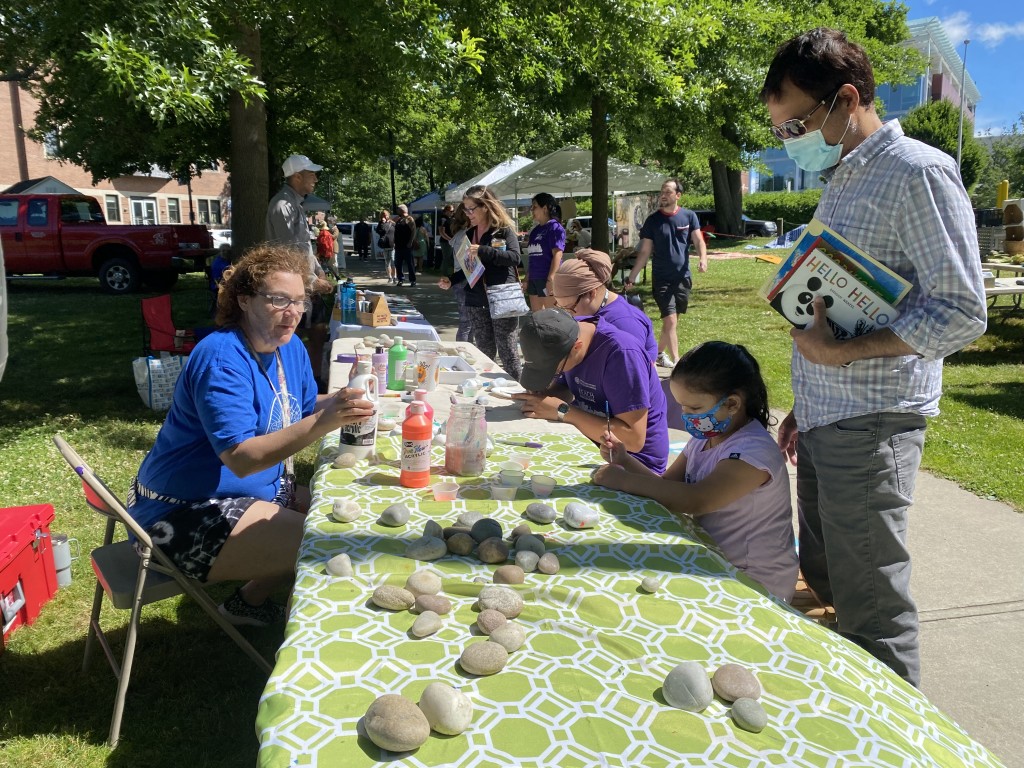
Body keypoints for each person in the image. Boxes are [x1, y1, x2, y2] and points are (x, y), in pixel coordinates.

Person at [761, 28, 987, 685]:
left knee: (873, 609)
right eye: (780, 131)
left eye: (796, 123)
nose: (791, 141)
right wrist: (809, 399)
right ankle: (849, 707)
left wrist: (842, 355)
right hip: (832, 415)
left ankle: (894, 741)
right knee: (832, 583)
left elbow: (962, 312)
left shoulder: (917, 171)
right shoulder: (844, 177)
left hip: (874, 421)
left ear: (849, 98)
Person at [126, 245, 376, 626]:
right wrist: (329, 421)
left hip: (252, 494)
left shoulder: (287, 347)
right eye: (277, 300)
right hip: (179, 514)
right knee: (326, 543)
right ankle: (311, 648)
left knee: (350, 516)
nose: (292, 312)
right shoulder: (222, 358)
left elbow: (303, 407)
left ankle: (248, 602)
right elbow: (241, 458)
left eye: (299, 301)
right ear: (243, 300)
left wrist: (346, 401)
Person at [591, 342, 798, 602]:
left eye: (695, 409)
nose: (686, 416)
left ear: (732, 403)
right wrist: (624, 460)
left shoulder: (752, 452)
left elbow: (696, 499)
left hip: (755, 581)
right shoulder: (706, 437)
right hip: (716, 559)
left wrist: (623, 480)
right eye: (682, 407)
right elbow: (666, 486)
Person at [512, 308, 668, 474]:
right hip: (591, 443)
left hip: (635, 465)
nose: (554, 375)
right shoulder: (567, 333)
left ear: (576, 347)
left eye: (554, 370)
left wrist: (563, 411)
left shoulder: (622, 355)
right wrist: (542, 396)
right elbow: (564, 388)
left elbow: (633, 439)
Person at [265, 154, 335, 387]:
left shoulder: (294, 204)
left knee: (318, 331)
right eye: (310, 173)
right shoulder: (282, 205)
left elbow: (303, 246)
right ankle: (291, 384)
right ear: (296, 176)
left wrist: (318, 270)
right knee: (289, 336)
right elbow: (288, 253)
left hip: (304, 283)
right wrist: (312, 280)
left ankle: (314, 380)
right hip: (290, 287)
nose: (315, 178)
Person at [441, 185, 523, 378]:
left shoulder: (503, 231)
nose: (468, 214)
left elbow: (514, 258)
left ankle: (518, 394)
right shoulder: (469, 234)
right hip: (476, 300)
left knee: (508, 352)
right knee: (484, 353)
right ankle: (488, 391)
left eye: (471, 209)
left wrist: (484, 251)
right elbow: (470, 269)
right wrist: (451, 280)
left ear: (485, 206)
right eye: (465, 209)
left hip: (501, 298)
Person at [625, 179, 708, 370]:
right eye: (662, 191)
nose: (663, 195)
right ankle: (678, 363)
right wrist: (632, 276)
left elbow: (698, 240)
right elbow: (644, 252)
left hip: (683, 277)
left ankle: (657, 355)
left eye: (668, 192)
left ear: (678, 195)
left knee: (672, 323)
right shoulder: (653, 221)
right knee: (669, 320)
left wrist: (703, 259)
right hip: (661, 278)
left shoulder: (689, 216)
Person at [553, 248, 657, 364]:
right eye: (559, 306)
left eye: (568, 307)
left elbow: (631, 377)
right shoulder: (588, 311)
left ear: (592, 293)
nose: (567, 315)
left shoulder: (625, 325)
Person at [436, 204, 474, 343]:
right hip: (465, 280)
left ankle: (467, 351)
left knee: (468, 323)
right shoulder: (466, 235)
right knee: (467, 323)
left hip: (461, 279)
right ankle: (463, 352)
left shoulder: (459, 234)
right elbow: (469, 266)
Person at [525, 193, 566, 310]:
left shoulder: (555, 228)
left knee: (552, 317)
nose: (531, 209)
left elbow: (557, 254)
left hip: (547, 278)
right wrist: (526, 279)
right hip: (534, 279)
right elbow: (532, 258)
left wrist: (551, 278)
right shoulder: (534, 231)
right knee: (538, 318)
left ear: (545, 208)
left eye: (534, 206)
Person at [393, 204, 417, 287]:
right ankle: (400, 279)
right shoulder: (398, 219)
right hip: (398, 245)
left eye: (398, 210)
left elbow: (413, 232)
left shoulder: (409, 219)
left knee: (410, 263)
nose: (397, 212)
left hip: (407, 246)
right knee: (398, 263)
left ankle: (412, 280)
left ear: (402, 210)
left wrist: (410, 242)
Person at [375, 210, 396, 284]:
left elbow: (396, 234)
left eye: (385, 215)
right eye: (383, 216)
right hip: (385, 245)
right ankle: (389, 277)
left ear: (388, 215)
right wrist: (382, 223)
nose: (384, 217)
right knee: (387, 262)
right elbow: (379, 231)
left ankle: (394, 277)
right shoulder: (380, 224)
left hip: (392, 245)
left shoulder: (393, 223)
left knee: (393, 261)